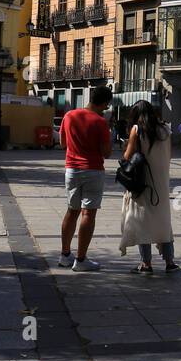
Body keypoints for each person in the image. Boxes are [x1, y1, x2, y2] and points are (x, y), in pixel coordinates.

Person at [58, 84, 114, 271]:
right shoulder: (100, 122)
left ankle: (65, 255)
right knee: (88, 213)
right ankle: (81, 260)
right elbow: (106, 153)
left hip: (71, 169)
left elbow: (63, 143)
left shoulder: (69, 116)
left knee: (71, 211)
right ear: (105, 103)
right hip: (93, 170)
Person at [120, 100, 178, 273]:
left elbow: (127, 156)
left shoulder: (137, 130)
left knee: (141, 220)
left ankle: (146, 264)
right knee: (163, 220)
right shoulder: (166, 129)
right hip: (161, 180)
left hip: (142, 181)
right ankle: (169, 262)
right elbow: (169, 154)